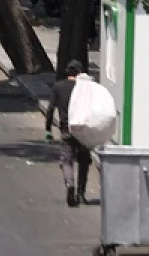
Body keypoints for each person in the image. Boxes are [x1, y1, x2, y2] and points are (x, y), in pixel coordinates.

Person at [46, 60, 91, 206]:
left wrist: (48, 129)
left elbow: (51, 109)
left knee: (67, 160)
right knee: (84, 161)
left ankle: (70, 183)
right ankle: (81, 193)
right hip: (83, 130)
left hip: (66, 129)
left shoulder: (58, 87)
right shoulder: (84, 88)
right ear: (80, 73)